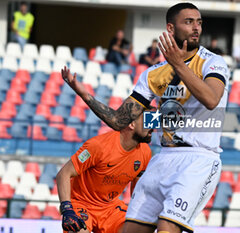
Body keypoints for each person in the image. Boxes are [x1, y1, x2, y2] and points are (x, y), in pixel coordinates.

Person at [61, 2, 229, 233]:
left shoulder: (213, 62)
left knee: (167, 227)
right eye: (188, 22)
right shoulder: (153, 74)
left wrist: (178, 64)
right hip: (163, 157)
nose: (196, 28)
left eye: (198, 22)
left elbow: (211, 100)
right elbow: (121, 121)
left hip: (198, 157)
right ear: (171, 28)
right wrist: (83, 93)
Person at [56, 99, 153, 233]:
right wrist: (66, 209)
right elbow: (64, 174)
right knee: (76, 230)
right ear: (131, 124)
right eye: (149, 120)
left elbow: (137, 190)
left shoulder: (145, 152)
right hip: (81, 204)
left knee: (140, 229)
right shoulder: (98, 146)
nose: (153, 126)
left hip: (110, 208)